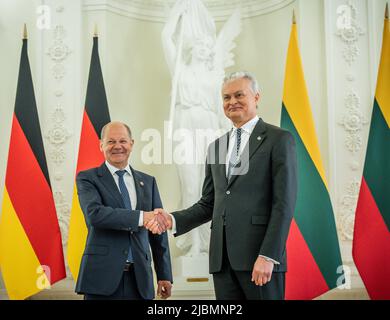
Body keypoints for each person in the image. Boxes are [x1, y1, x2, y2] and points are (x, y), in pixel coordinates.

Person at [147, 72, 297, 300]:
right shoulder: (216, 147)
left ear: (256, 97)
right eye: (226, 97)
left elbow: (284, 203)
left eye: (239, 95)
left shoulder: (279, 139)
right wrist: (172, 219)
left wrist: (268, 256)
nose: (232, 102)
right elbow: (209, 203)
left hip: (260, 260)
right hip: (222, 263)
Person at [161, 0, 240, 256]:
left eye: (209, 46)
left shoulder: (216, 76)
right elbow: (166, 37)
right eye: (202, 45)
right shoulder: (180, 71)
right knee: (190, 185)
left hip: (210, 128)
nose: (205, 49)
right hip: (186, 125)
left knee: (214, 186)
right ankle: (193, 243)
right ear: (193, 48)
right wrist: (177, 13)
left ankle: (209, 243)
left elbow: (223, 112)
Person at [75, 121, 172, 300]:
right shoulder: (87, 178)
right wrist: (143, 217)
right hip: (102, 278)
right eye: (111, 142)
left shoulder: (148, 182)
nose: (117, 146)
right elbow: (95, 215)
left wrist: (164, 274)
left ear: (132, 144)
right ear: (101, 145)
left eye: (123, 141)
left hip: (140, 279)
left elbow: (159, 232)